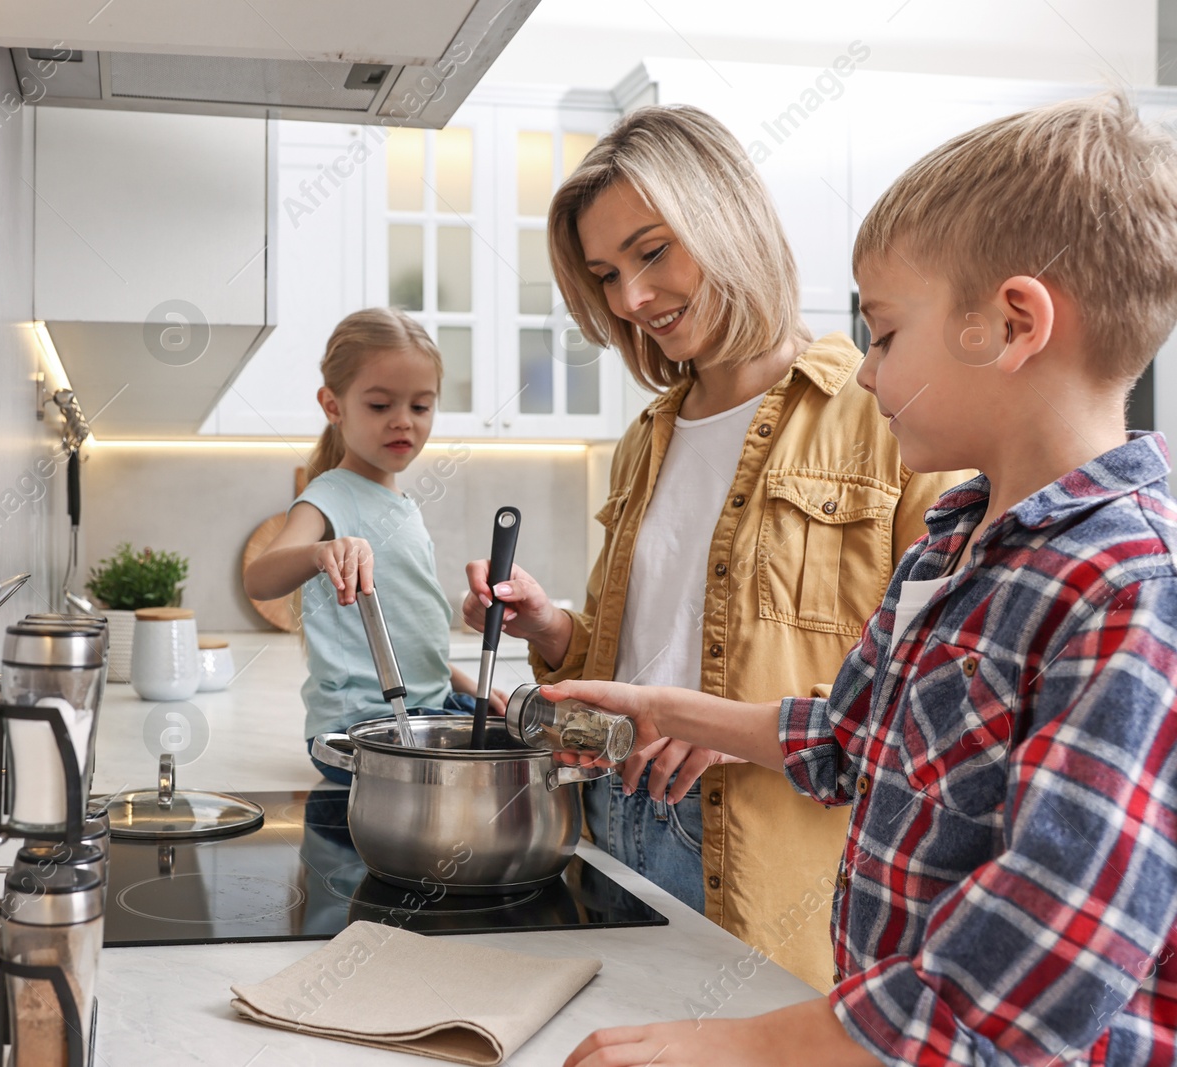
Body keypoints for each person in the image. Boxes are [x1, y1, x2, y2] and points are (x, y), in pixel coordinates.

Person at [556, 93, 1177, 1066]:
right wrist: (659, 704)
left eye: (882, 335)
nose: (858, 369)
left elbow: (1054, 926)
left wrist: (758, 1044)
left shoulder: (1128, 585)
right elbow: (846, 738)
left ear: (1010, 324)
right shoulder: (950, 541)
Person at [464, 105, 967, 991]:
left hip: (766, 852)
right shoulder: (646, 438)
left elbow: (942, 686)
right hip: (616, 820)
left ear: (724, 219)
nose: (629, 298)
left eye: (652, 252)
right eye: (607, 274)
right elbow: (639, 656)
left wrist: (737, 732)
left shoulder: (886, 415)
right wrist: (551, 629)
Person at [244, 307, 503, 785]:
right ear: (333, 405)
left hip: (425, 711)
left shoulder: (400, 504)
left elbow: (406, 633)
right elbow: (259, 578)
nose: (403, 422)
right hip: (358, 731)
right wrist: (320, 553)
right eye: (381, 406)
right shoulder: (330, 494)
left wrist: (463, 684)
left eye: (420, 407)